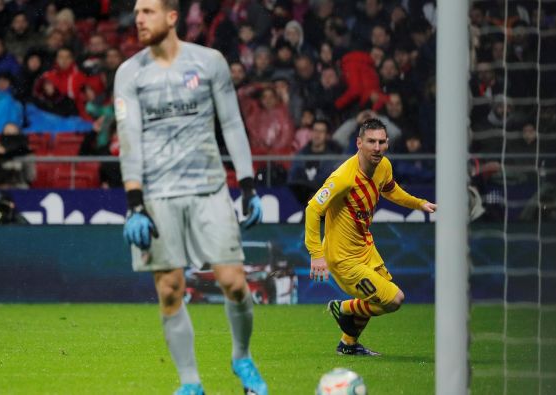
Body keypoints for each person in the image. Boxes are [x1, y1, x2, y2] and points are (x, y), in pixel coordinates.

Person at [114, 1, 267, 395]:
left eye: (148, 11)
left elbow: (231, 122)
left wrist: (247, 182)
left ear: (171, 16)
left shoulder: (209, 62)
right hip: (157, 195)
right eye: (136, 12)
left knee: (233, 282)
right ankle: (191, 384)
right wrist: (134, 203)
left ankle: (241, 356)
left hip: (209, 189)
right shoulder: (129, 74)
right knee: (169, 289)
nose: (139, 19)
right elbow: (129, 141)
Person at [304, 118, 436, 356]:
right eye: (371, 141)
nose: (377, 147)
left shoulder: (383, 165)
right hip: (343, 258)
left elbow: (390, 189)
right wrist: (316, 254)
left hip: (365, 247)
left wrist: (419, 203)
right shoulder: (343, 177)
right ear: (358, 143)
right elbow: (313, 209)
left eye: (381, 142)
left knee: (379, 299)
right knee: (394, 299)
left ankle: (348, 344)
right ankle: (342, 308)